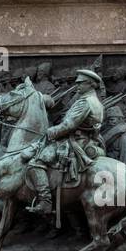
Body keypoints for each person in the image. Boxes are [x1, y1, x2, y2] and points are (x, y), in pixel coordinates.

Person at [25, 69, 105, 215]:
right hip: (88, 140)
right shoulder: (96, 102)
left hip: (76, 141)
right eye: (77, 83)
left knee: (35, 162)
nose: (77, 86)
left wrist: (50, 131)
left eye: (80, 83)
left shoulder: (85, 102)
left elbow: (69, 125)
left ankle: (45, 202)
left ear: (90, 84)